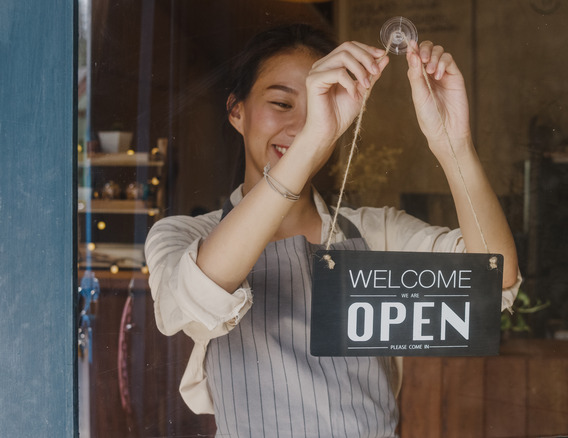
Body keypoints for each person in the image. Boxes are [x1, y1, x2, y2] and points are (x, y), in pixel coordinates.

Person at [145, 23, 521, 437]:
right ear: (237, 110)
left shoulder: (375, 233)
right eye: (282, 104)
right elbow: (199, 294)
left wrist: (454, 144)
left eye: (318, 106)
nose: (302, 123)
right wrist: (311, 142)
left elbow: (491, 282)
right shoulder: (182, 236)